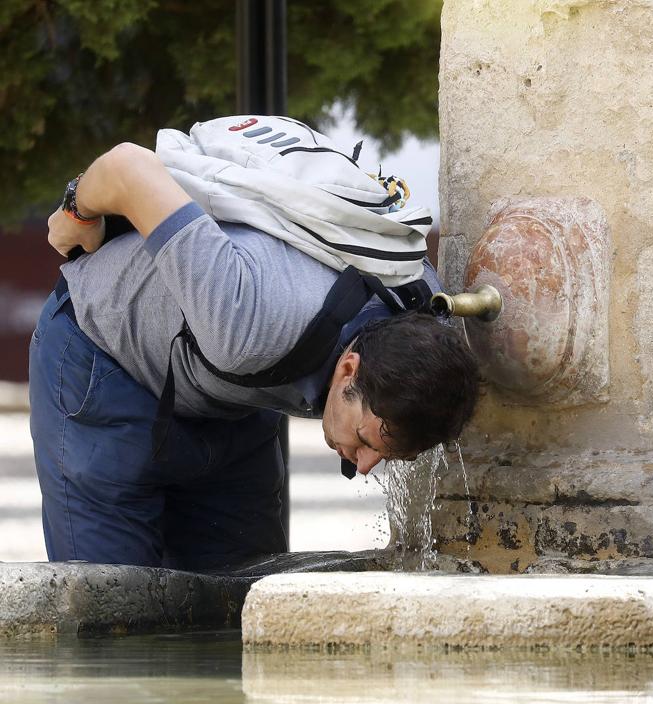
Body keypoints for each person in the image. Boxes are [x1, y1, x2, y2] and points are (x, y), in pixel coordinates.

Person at [31, 138, 479, 571]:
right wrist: (77, 211)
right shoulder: (248, 320)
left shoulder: (424, 315)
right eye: (365, 441)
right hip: (104, 360)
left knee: (242, 604)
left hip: (231, 386)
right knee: (110, 609)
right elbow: (128, 167)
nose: (363, 466)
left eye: (383, 455)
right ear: (349, 369)